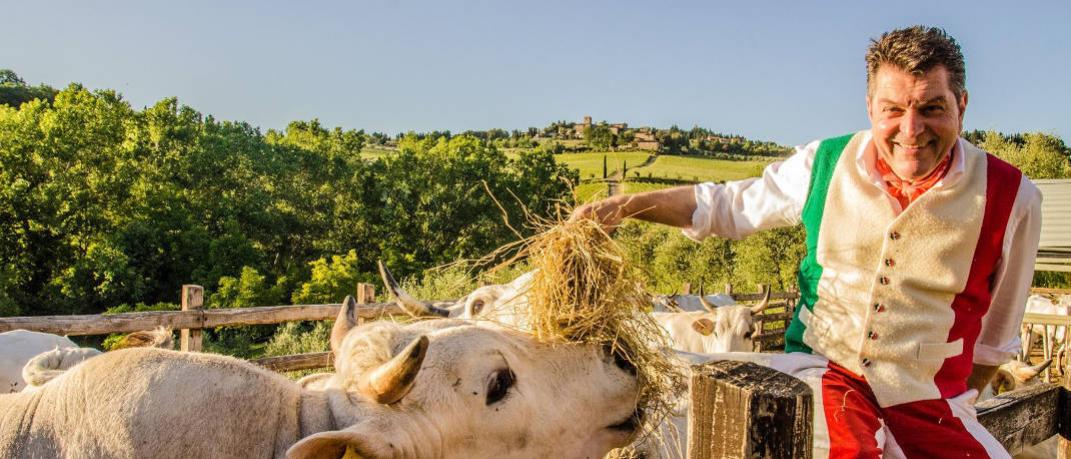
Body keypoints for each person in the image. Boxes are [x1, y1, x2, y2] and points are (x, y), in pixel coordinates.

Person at [571, 26, 1042, 458]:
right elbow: (726, 207)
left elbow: (994, 343)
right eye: (892, 110)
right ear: (870, 107)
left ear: (962, 104)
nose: (910, 130)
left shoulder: (1013, 197)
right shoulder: (825, 162)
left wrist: (944, 393)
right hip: (821, 376)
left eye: (932, 108)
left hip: (930, 402)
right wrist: (626, 206)